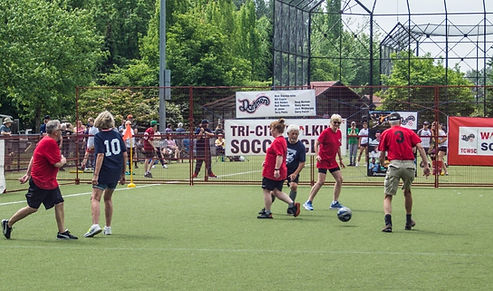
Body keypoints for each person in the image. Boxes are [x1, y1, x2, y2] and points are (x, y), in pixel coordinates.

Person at [2, 120, 78, 240]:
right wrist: (64, 159)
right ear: (55, 132)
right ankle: (9, 223)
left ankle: (62, 232)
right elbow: (57, 164)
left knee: (59, 202)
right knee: (32, 207)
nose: (61, 132)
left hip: (49, 180)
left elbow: (34, 156)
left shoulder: (47, 140)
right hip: (41, 181)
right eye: (59, 130)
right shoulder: (49, 142)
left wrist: (27, 174)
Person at [378, 112, 430, 233]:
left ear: (389, 122)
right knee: (407, 192)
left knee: (388, 195)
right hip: (409, 165)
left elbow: (382, 153)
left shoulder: (386, 133)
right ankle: (408, 221)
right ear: (400, 122)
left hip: (394, 165)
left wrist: (382, 163)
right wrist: (426, 165)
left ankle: (388, 224)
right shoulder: (409, 132)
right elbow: (420, 148)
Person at [84, 111, 127, 237]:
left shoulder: (99, 136)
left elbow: (100, 155)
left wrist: (95, 174)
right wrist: (123, 173)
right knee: (108, 198)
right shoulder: (117, 135)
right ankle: (108, 227)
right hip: (116, 170)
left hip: (104, 169)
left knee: (95, 197)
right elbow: (124, 154)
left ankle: (95, 225)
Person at [257, 119, 300, 219]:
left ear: (276, 129)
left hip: (272, 172)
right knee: (276, 191)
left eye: (272, 129)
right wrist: (267, 162)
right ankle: (292, 205)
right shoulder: (282, 141)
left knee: (266, 190)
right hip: (279, 170)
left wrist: (276, 169)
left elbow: (279, 156)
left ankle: (267, 212)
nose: (271, 131)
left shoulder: (278, 141)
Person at [303, 114, 346, 211]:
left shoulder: (339, 133)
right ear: (331, 122)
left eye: (338, 123)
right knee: (321, 181)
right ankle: (308, 202)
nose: (336, 124)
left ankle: (334, 202)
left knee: (339, 179)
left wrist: (340, 159)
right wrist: (317, 154)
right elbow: (317, 143)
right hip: (323, 160)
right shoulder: (326, 132)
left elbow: (338, 146)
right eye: (334, 122)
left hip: (332, 160)